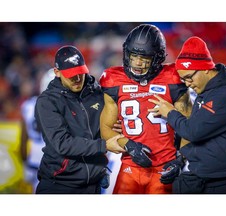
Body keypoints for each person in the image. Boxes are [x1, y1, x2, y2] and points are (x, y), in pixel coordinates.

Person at [148, 36, 226, 194]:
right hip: (213, 177)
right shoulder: (206, 92)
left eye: (189, 77)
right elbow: (204, 138)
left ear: (205, 68)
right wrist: (180, 160)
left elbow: (194, 131)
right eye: (183, 80)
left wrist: (169, 112)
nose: (188, 83)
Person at [99, 24, 192, 194]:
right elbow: (105, 128)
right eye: (134, 56)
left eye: (145, 58)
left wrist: (180, 159)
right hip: (130, 167)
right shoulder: (113, 80)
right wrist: (128, 144)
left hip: (165, 166)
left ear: (157, 59)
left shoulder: (173, 79)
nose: (137, 63)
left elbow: (190, 127)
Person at [34, 45, 125, 194]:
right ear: (57, 72)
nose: (77, 79)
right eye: (71, 75)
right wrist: (103, 145)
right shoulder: (47, 101)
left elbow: (106, 127)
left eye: (80, 73)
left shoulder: (97, 94)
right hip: (59, 184)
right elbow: (62, 143)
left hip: (93, 185)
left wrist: (115, 127)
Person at [20, 68, 55, 193]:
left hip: (33, 160)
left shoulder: (28, 106)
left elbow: (23, 141)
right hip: (53, 162)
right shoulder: (62, 107)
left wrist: (24, 162)